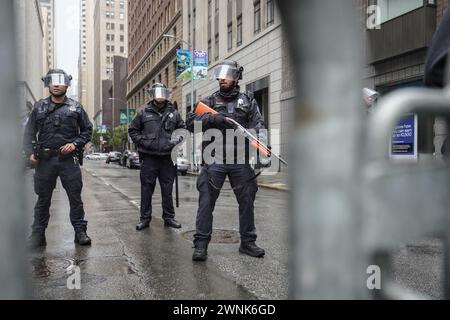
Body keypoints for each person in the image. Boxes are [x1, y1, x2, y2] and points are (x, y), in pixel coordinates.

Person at [186, 60, 267, 261]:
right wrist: (214, 119)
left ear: (236, 77)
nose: (222, 79)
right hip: (214, 159)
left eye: (227, 75)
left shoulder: (248, 101)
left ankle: (248, 242)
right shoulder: (209, 102)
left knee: (247, 201)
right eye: (220, 75)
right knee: (206, 201)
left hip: (240, 160)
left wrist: (260, 145)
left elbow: (258, 126)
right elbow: (189, 123)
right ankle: (201, 244)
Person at [23, 69, 93, 249]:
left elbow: (87, 130)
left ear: (67, 84)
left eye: (60, 81)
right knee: (43, 199)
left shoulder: (76, 107)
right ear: (47, 83)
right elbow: (29, 132)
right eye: (52, 81)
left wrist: (76, 144)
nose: (56, 84)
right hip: (45, 160)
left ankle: (80, 232)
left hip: (68, 160)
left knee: (75, 198)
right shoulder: (39, 107)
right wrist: (30, 152)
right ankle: (38, 235)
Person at [129, 83, 185, 231]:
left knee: (167, 190)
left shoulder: (174, 113)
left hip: (167, 158)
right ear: (152, 95)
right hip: (149, 158)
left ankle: (169, 218)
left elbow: (182, 130)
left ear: (166, 94)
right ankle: (145, 219)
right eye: (157, 93)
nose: (160, 95)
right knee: (146, 190)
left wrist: (175, 142)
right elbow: (133, 130)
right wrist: (143, 142)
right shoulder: (143, 112)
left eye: (162, 92)